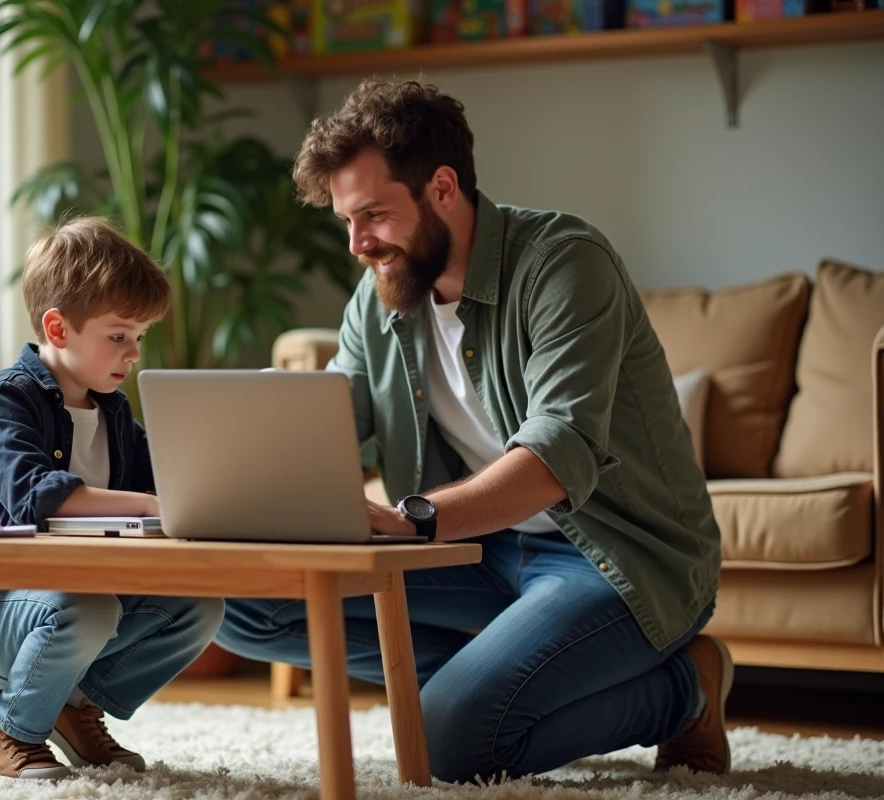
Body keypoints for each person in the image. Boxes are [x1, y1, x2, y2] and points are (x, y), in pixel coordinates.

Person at [216, 79, 732, 784]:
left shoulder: (563, 261)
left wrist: (416, 518)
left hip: (613, 557)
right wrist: (243, 465)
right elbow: (338, 419)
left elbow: (559, 449)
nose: (357, 244)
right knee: (236, 601)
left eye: (373, 215)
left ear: (443, 188)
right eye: (345, 221)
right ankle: (476, 686)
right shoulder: (380, 296)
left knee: (445, 745)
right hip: (476, 552)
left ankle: (688, 691)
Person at [0, 217, 224, 780]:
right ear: (58, 329)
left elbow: (163, 485)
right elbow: (40, 497)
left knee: (199, 606)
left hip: (76, 608)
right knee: (88, 607)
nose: (133, 353)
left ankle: (71, 701)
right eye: (119, 336)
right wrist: (153, 506)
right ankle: (10, 725)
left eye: (140, 337)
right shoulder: (4, 404)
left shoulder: (113, 409)